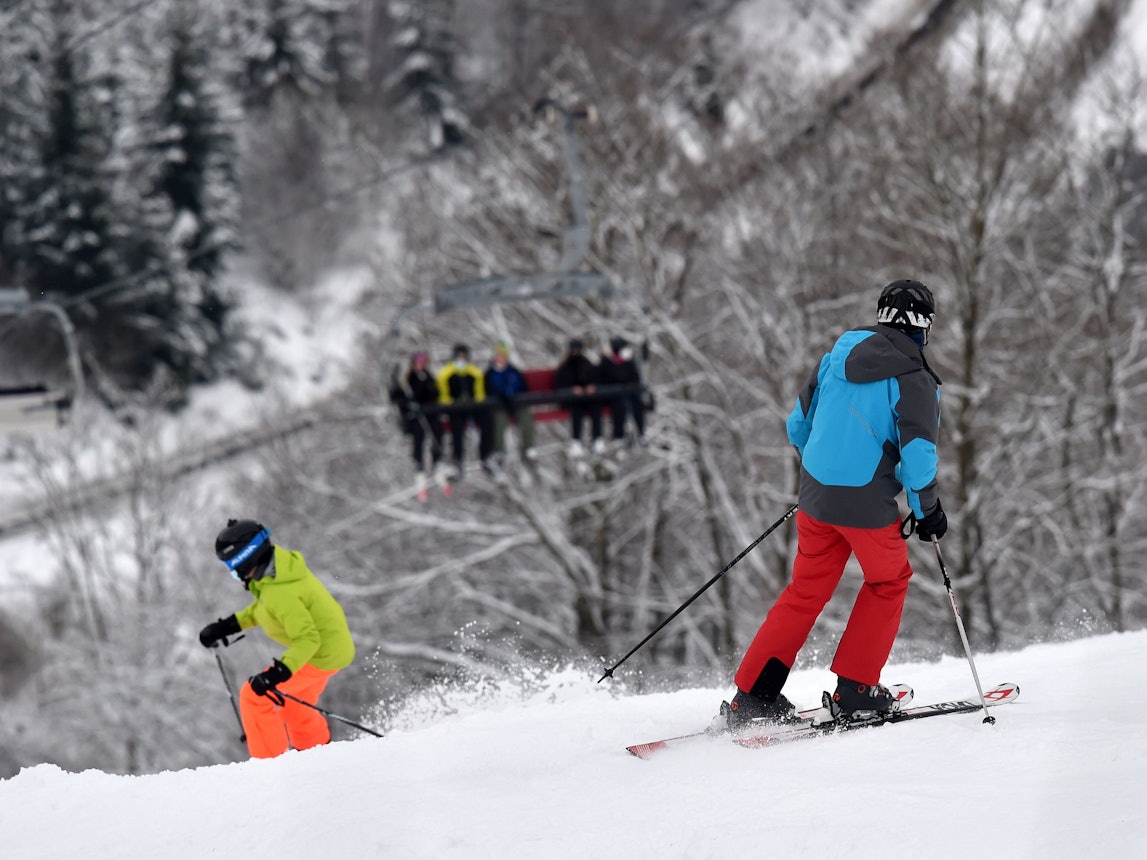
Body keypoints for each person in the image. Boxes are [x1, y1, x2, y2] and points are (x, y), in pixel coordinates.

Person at [720, 280, 947, 729]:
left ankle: (753, 697)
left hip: (816, 498)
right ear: (926, 327)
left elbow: (797, 427)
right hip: (867, 507)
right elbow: (919, 458)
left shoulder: (836, 356)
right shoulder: (914, 377)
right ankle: (857, 690)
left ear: (881, 316)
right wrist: (927, 512)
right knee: (889, 580)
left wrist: (827, 479)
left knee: (805, 591)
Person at [199, 519, 356, 759]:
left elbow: (307, 639)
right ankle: (318, 756)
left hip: (321, 653)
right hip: (331, 648)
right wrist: (225, 627)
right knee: (294, 706)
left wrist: (276, 674)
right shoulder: (275, 576)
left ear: (245, 559)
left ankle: (268, 768)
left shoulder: (280, 590)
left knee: (254, 695)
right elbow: (262, 611)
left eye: (232, 568)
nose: (233, 574)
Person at [388, 351, 444, 493]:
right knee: (419, 439)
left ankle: (437, 462)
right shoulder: (407, 380)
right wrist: (407, 403)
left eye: (422, 362)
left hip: (429, 414)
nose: (420, 365)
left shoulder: (429, 377)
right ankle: (420, 467)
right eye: (417, 362)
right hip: (414, 417)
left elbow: (436, 394)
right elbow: (396, 397)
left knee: (437, 435)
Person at [435, 343, 493, 474]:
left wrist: (474, 403)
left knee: (487, 420)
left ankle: (485, 455)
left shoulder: (474, 373)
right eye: (458, 357)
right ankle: (458, 457)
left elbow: (479, 394)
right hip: (455, 408)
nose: (461, 360)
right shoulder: (446, 374)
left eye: (464, 357)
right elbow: (443, 396)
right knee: (457, 425)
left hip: (472, 407)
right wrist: (453, 403)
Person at [484, 340, 536, 464]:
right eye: (499, 355)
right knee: (499, 421)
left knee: (526, 418)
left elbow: (524, 387)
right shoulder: (489, 374)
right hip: (500, 406)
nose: (501, 358)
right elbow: (487, 392)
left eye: (504, 355)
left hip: (516, 404)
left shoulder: (513, 371)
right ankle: (499, 450)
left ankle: (529, 448)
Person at [553, 337, 603, 457]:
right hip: (571, 399)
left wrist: (592, 387)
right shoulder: (565, 366)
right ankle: (576, 441)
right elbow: (559, 385)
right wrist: (572, 390)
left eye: (578, 350)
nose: (576, 352)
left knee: (595, 408)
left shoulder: (586, 363)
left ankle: (597, 439)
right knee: (577, 410)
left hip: (586, 398)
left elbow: (595, 378)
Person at [597, 336, 645, 447]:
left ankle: (640, 433)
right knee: (619, 408)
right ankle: (618, 436)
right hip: (612, 395)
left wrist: (633, 385)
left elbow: (635, 377)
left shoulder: (628, 362)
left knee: (637, 405)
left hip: (628, 392)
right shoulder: (606, 362)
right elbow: (601, 379)